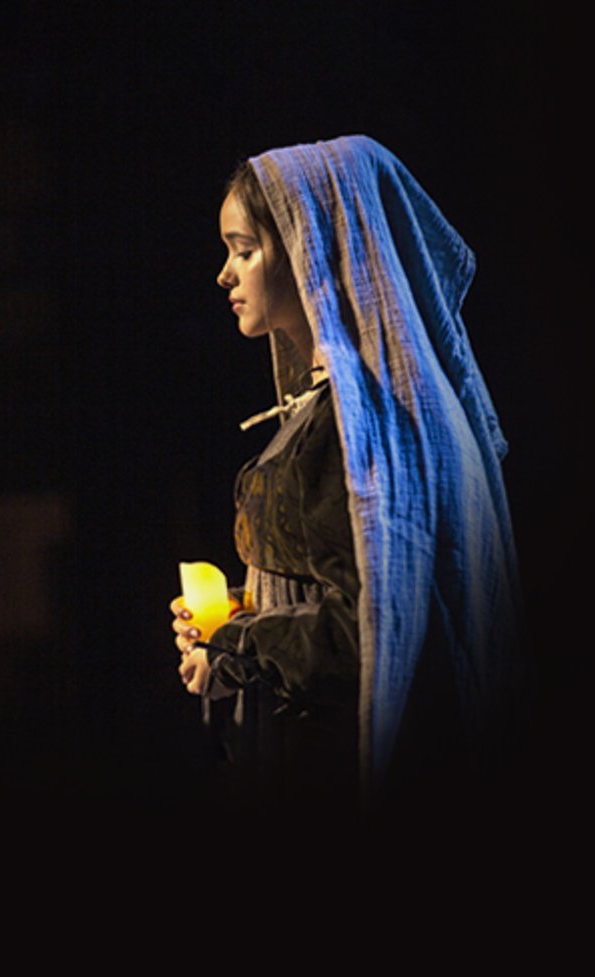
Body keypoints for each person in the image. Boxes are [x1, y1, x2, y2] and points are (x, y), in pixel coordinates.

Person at [173, 135, 529, 817]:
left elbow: (366, 629)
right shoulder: (332, 410)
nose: (225, 273)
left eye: (245, 249)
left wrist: (239, 643)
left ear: (314, 252)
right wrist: (239, 619)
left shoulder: (366, 431)